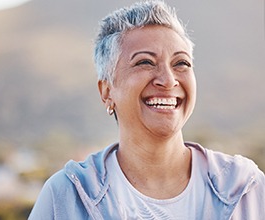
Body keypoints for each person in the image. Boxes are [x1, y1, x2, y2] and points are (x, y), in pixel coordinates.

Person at [28, 1, 265, 219]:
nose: (168, 80)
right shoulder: (68, 196)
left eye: (181, 63)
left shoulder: (246, 188)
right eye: (145, 62)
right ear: (106, 91)